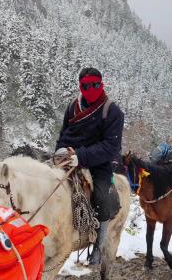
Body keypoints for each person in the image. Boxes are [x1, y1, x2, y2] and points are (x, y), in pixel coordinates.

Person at [55, 67, 124, 264]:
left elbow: (111, 146)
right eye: (85, 86)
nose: (90, 89)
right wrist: (60, 152)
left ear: (101, 84)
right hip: (69, 157)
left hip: (98, 162)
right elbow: (64, 134)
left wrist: (82, 156)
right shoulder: (72, 107)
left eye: (94, 85)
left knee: (102, 198)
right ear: (80, 86)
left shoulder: (112, 111)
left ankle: (99, 244)